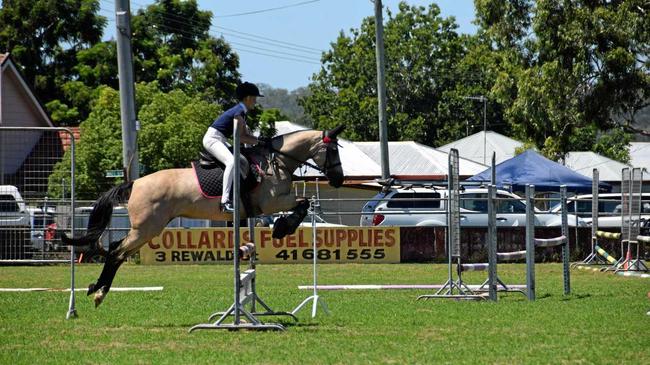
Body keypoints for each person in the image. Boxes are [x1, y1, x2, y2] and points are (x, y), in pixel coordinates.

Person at [203, 82, 267, 212]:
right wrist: (258, 141)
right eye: (254, 98)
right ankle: (225, 201)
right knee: (231, 162)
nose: (255, 101)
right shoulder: (239, 111)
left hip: (220, 139)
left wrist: (259, 141)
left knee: (242, 159)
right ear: (248, 98)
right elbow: (241, 138)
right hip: (213, 139)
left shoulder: (241, 112)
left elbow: (243, 137)